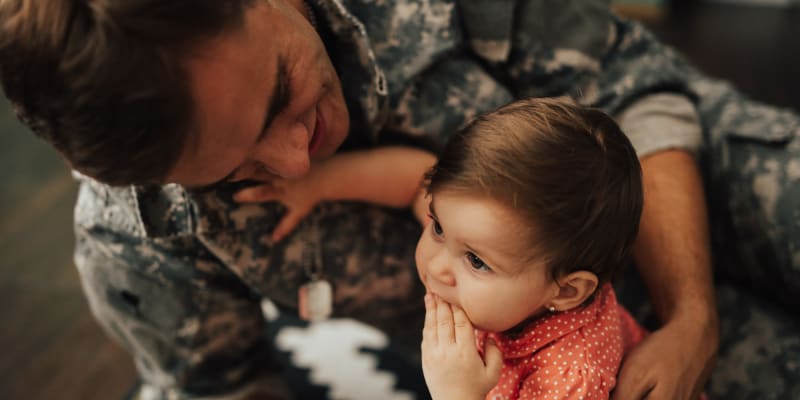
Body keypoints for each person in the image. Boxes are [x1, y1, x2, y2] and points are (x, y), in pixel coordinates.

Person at [0, 0, 797, 399]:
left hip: (689, 161)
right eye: (231, 172)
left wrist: (692, 313)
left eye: (280, 94)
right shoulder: (133, 234)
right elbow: (220, 387)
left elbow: (638, 95)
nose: (290, 158)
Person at [415, 98, 651, 400]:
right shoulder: (514, 287)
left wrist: (457, 395)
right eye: (438, 228)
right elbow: (413, 180)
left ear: (566, 292)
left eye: (476, 261)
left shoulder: (572, 379)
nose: (436, 267)